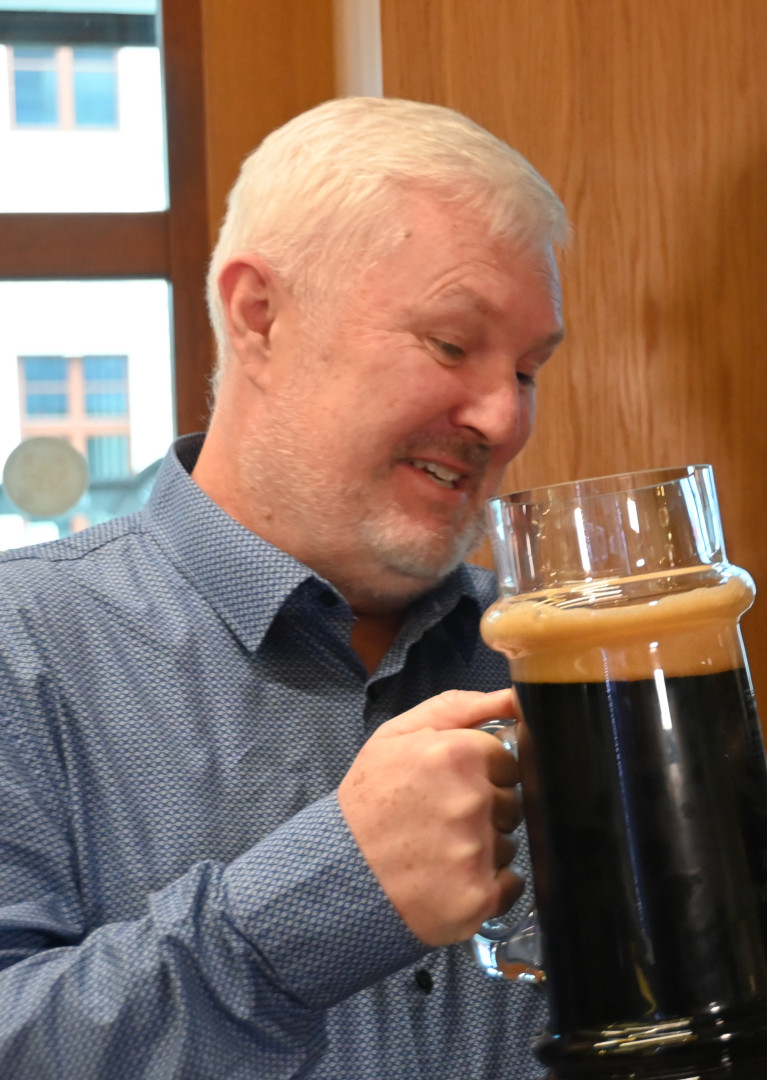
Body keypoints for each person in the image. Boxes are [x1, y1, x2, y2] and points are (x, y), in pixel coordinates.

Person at [0, 97, 568, 1077]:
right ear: (259, 314)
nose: (503, 417)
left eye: (527, 369)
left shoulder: (557, 656)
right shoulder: (21, 651)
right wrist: (323, 902)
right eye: (451, 344)